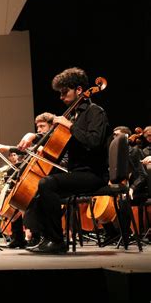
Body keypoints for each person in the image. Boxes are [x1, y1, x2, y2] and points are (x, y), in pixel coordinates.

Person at [21, 67, 110, 254]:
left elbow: (94, 142)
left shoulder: (95, 112)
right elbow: (57, 142)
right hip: (77, 173)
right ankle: (43, 237)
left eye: (64, 92)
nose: (61, 97)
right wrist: (34, 137)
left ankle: (57, 241)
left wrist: (69, 126)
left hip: (93, 174)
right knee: (37, 188)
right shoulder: (74, 116)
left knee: (47, 184)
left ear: (79, 91)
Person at [0, 112, 56, 248]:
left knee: (31, 196)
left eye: (42, 126)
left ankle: (36, 236)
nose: (38, 130)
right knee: (16, 192)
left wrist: (9, 147)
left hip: (52, 176)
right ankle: (20, 237)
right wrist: (8, 148)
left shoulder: (53, 140)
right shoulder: (42, 142)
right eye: (37, 127)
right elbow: (28, 150)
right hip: (43, 176)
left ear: (51, 126)